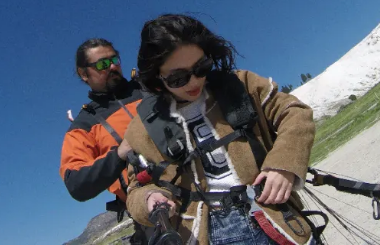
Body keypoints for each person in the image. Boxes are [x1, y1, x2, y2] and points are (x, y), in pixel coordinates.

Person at [123, 15, 317, 245]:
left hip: (275, 218)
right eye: (178, 78)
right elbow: (137, 188)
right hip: (202, 234)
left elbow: (294, 112)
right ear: (157, 78)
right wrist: (149, 199)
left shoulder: (242, 84)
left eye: (201, 67)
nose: (194, 81)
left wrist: (283, 165)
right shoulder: (141, 129)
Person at [59, 38, 148, 244]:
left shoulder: (149, 87)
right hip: (149, 215)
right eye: (101, 64)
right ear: (84, 74)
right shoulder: (84, 126)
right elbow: (76, 183)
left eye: (114, 59)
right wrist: (118, 155)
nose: (113, 66)